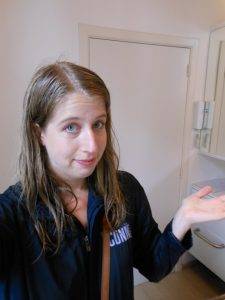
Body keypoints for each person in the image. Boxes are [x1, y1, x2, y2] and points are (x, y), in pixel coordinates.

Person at [1, 61, 225, 300]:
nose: (92, 145)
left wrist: (182, 220)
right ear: (39, 133)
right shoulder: (14, 214)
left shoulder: (125, 190)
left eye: (98, 124)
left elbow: (155, 266)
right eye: (71, 127)